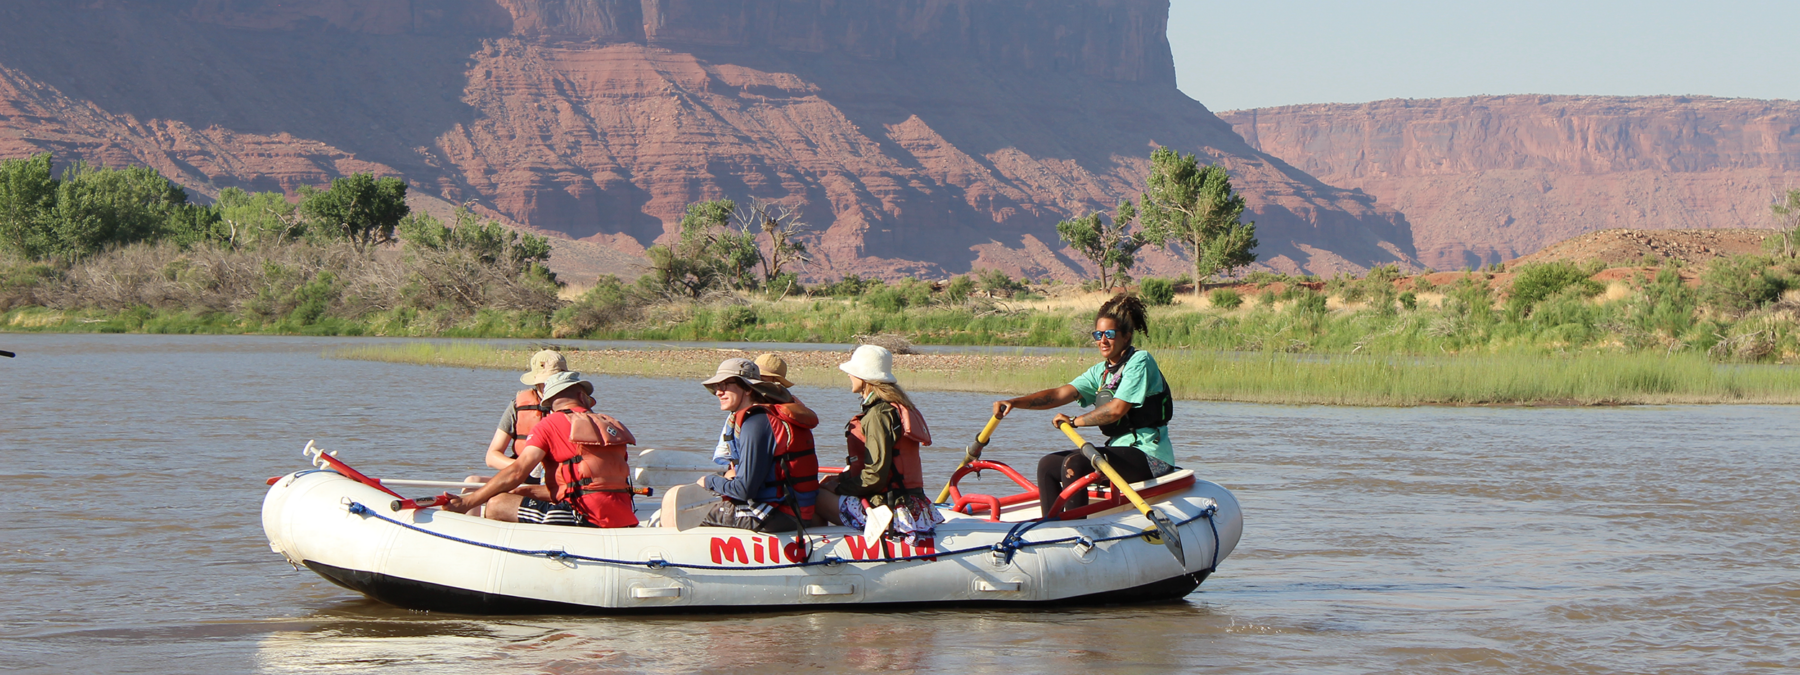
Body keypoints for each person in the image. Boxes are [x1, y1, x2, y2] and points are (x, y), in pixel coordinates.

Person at [992, 293, 1178, 518]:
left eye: (1109, 334)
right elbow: (1060, 394)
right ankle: (1050, 527)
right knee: (1048, 465)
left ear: (1126, 336)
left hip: (1150, 455)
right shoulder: (1100, 372)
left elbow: (1117, 409)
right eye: (1098, 334)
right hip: (1119, 449)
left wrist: (1074, 422)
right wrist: (1014, 402)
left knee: (1076, 463)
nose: (1103, 340)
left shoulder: (1140, 361)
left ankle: (1078, 532)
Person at [447, 371, 640, 528]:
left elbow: (516, 472)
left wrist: (467, 503)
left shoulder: (549, 424)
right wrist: (524, 492)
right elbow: (589, 484)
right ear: (583, 397)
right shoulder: (609, 424)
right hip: (622, 513)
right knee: (524, 492)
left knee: (497, 504)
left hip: (582, 515)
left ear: (549, 404)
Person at [817, 345, 943, 545]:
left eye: (853, 372)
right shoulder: (897, 406)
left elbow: (875, 475)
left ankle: (817, 552)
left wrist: (840, 487)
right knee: (828, 486)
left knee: (815, 496)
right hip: (914, 505)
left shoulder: (878, 415)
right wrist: (840, 479)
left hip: (890, 510)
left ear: (864, 378)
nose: (849, 375)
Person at [695, 358, 820, 532]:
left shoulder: (756, 422)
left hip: (779, 514)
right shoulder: (764, 416)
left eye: (726, 385)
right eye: (716, 386)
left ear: (747, 389)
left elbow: (744, 490)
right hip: (792, 510)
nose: (718, 392)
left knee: (683, 509)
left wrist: (709, 481)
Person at [467, 350, 590, 486]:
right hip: (524, 475)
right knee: (472, 482)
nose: (552, 388)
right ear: (537, 383)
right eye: (547, 383)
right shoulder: (518, 405)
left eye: (556, 382)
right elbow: (492, 457)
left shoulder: (579, 405)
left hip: (563, 477)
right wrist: (525, 466)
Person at [711, 353, 819, 473]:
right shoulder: (739, 413)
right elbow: (722, 453)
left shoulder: (788, 414)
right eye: (757, 379)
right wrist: (727, 467)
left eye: (763, 380)